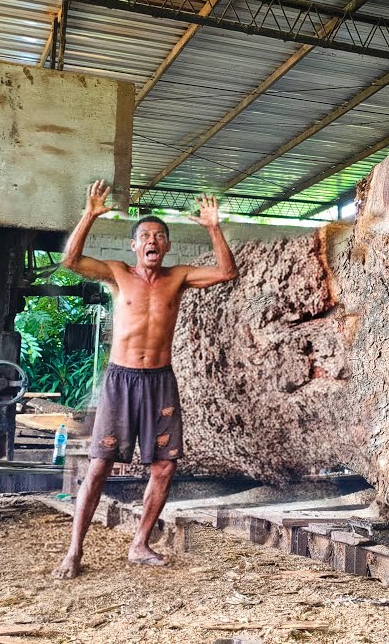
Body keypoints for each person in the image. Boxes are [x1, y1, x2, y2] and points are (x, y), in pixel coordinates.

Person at [52, 180, 238, 579]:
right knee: (99, 465)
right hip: (121, 380)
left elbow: (226, 271)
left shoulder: (178, 276)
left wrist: (213, 227)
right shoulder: (118, 274)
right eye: (146, 236)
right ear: (134, 246)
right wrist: (90, 214)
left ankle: (140, 544)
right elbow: (70, 261)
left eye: (159, 236)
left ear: (167, 246)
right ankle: (74, 550)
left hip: (159, 381)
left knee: (164, 467)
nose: (153, 241)